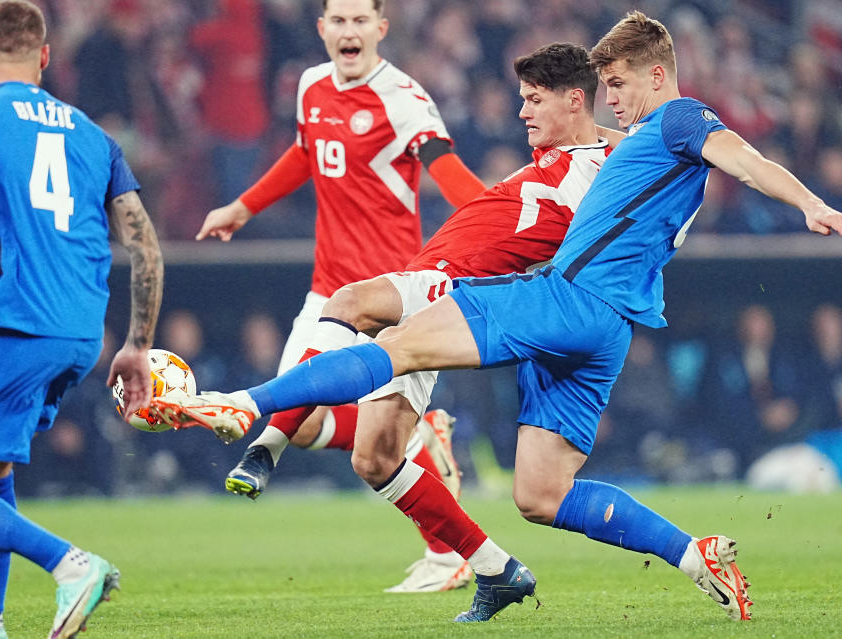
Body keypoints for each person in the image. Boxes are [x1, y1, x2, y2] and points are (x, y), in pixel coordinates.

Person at [156, 11, 842, 623]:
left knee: (398, 344)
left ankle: (242, 403)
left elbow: (738, 154)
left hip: (565, 298)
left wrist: (807, 202)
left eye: (617, 82)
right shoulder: (631, 154)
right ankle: (693, 553)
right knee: (539, 492)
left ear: (657, 75)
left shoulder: (676, 117)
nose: (610, 96)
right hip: (609, 331)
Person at [222, 41, 615, 593]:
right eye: (522, 99)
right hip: (426, 277)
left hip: (443, 284)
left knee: (349, 305)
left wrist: (683, 143)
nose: (521, 111)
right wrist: (244, 206)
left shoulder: (604, 175)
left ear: (573, 100)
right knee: (375, 459)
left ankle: (252, 423)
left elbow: (639, 174)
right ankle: (496, 569)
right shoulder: (564, 153)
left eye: (532, 100)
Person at [194, 0, 485, 593]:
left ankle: (449, 547)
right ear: (322, 28)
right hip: (330, 287)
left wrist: (503, 226)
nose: (349, 31)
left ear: (381, 28)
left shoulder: (404, 98)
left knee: (327, 429)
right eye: (339, 20)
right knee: (304, 426)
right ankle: (420, 438)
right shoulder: (310, 86)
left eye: (360, 21)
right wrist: (242, 206)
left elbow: (446, 170)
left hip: (390, 294)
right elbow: (306, 154)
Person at [0, 1, 164, 638]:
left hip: (16, 319)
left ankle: (68, 563)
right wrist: (138, 345)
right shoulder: (93, 134)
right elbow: (144, 247)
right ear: (43, 57)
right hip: (83, 332)